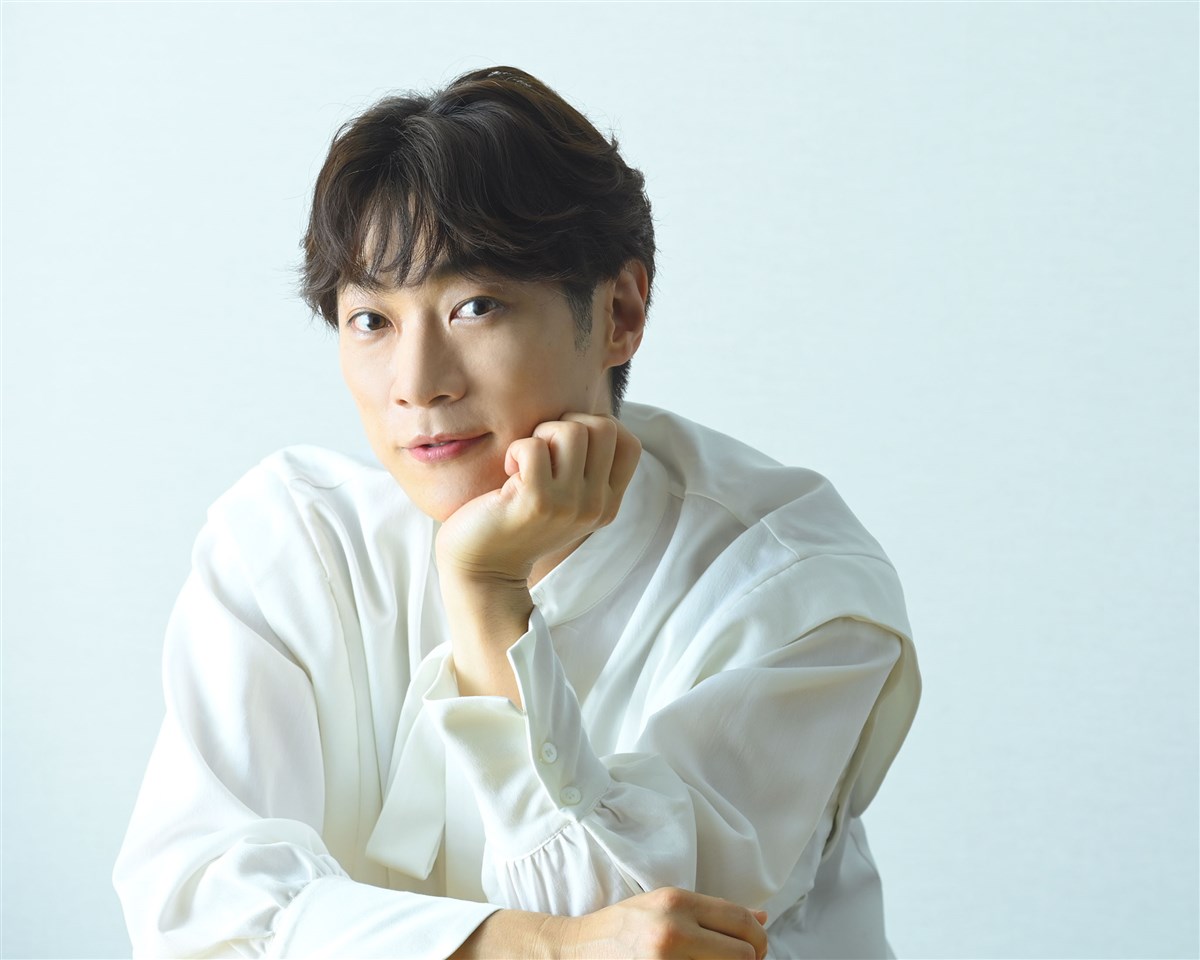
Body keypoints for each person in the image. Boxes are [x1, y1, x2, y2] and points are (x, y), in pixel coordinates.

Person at [113, 65, 920, 959]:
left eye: (475, 306)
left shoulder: (793, 586)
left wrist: (486, 591)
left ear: (619, 312)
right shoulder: (293, 544)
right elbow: (194, 919)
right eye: (371, 321)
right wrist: (541, 945)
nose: (417, 385)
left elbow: (649, 933)